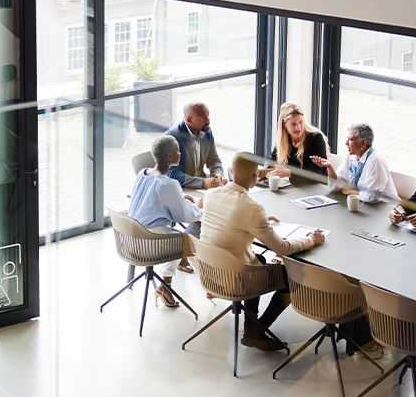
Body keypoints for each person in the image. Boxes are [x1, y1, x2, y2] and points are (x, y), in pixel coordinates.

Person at [201, 153, 325, 350]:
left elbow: (224, 214)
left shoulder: (210, 195)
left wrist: (261, 221)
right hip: (235, 279)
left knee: (256, 257)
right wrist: (310, 240)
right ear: (255, 177)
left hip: (209, 274)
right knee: (293, 275)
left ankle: (252, 328)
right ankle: (256, 329)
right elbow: (282, 248)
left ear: (231, 172)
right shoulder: (251, 208)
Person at [129, 135, 203, 307]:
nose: (180, 154)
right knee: (185, 241)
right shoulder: (168, 184)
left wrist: (179, 198)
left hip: (131, 237)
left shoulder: (143, 173)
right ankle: (168, 286)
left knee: (177, 236)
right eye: (178, 151)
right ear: (170, 157)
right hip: (148, 241)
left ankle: (165, 287)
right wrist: (197, 206)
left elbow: (153, 199)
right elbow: (184, 216)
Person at [313, 123, 399, 203]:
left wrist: (351, 192)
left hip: (387, 207)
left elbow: (374, 196)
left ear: (363, 143)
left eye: (350, 139)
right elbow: (339, 184)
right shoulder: (351, 156)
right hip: (362, 203)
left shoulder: (375, 161)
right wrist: (329, 167)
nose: (346, 143)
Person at [262, 102, 330, 182]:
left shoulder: (315, 138)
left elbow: (315, 174)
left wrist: (289, 173)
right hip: (295, 186)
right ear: (284, 124)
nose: (298, 128)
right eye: (293, 124)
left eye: (301, 122)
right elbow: (272, 160)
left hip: (316, 187)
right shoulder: (284, 139)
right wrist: (265, 170)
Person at [166, 102, 226, 189]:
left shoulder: (206, 131)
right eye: (203, 118)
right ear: (189, 120)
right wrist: (203, 183)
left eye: (208, 116)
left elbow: (213, 159)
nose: (208, 120)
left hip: (202, 185)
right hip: (181, 189)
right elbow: (172, 174)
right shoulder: (172, 137)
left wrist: (218, 173)